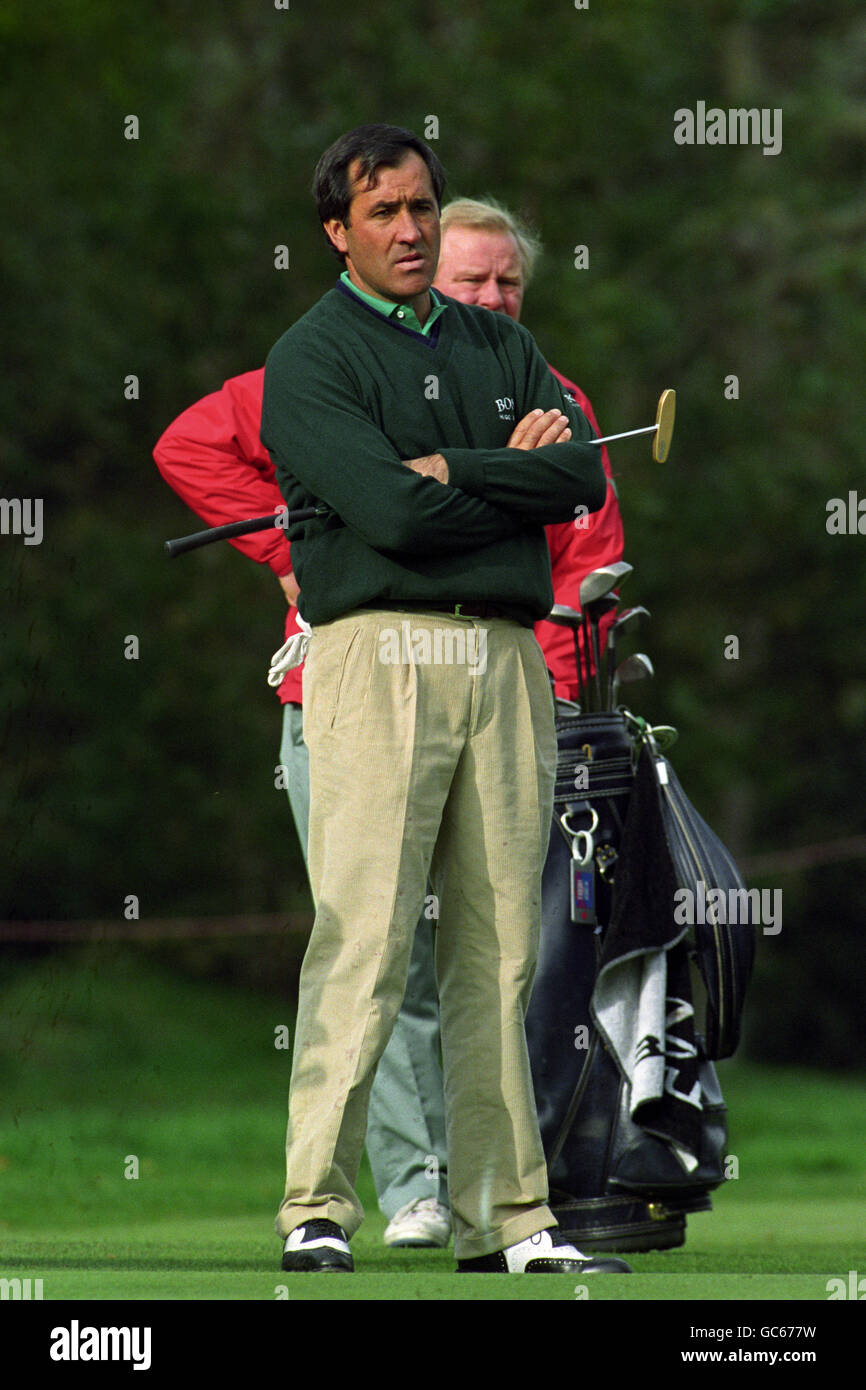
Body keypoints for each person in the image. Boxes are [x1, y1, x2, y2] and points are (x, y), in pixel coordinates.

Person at [153, 196, 624, 1254]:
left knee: (497, 950)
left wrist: (459, 468)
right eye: (468, 277)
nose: (485, 295)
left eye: (506, 281)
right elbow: (369, 507)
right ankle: (339, 1200)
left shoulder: (523, 368)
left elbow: (576, 491)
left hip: (501, 668)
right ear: (363, 242)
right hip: (368, 666)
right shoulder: (323, 361)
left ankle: (503, 1216)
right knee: (369, 942)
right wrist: (300, 554)